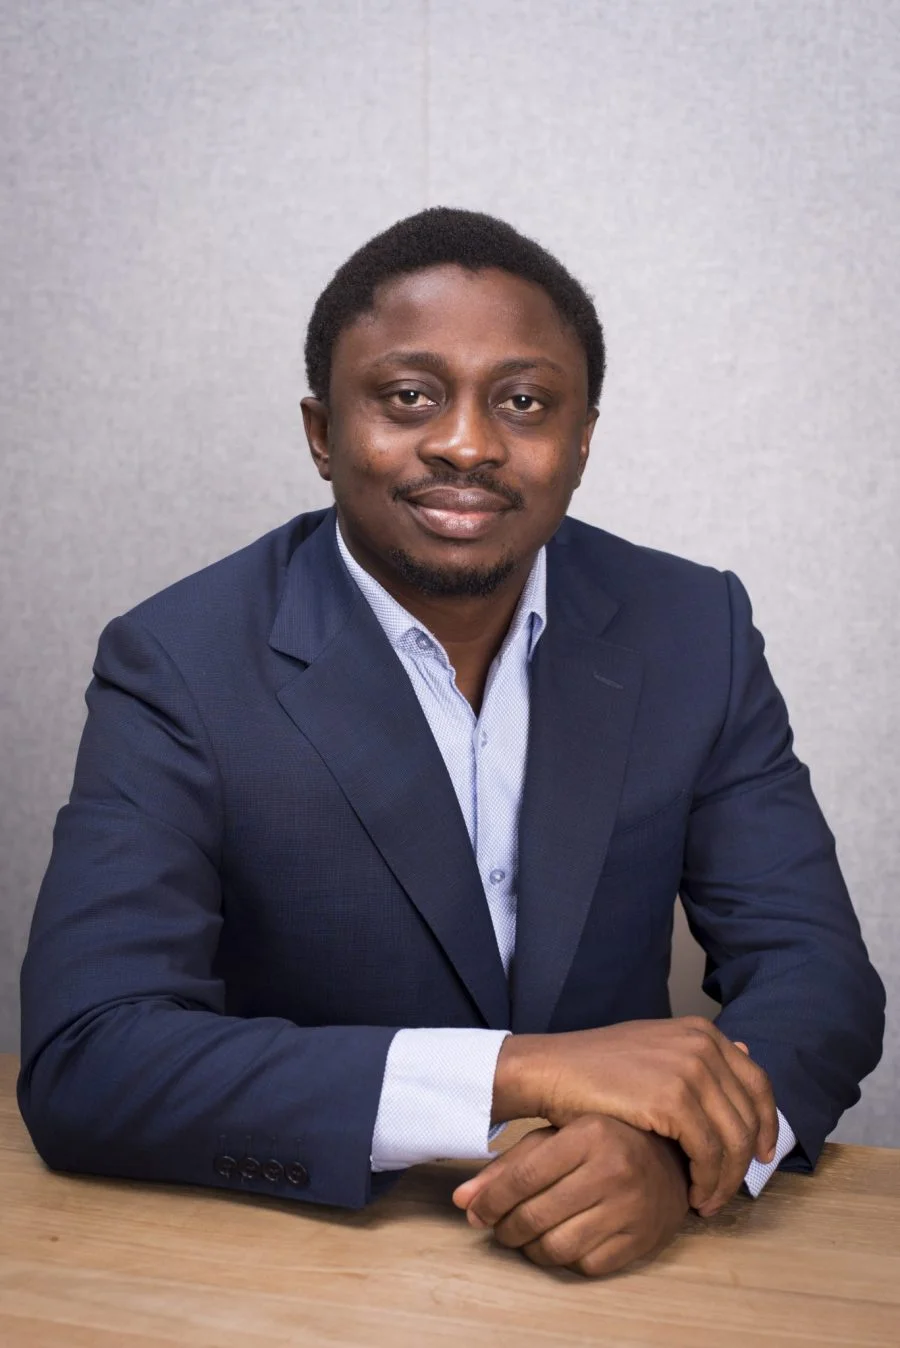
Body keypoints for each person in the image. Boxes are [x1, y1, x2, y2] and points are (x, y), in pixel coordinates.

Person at [18, 207, 884, 1278]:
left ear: (582, 439)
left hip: (620, 1280)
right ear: (322, 432)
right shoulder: (178, 663)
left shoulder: (695, 629)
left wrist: (675, 1154)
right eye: (409, 396)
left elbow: (816, 975)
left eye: (522, 401)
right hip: (292, 1269)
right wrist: (517, 1073)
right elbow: (90, 1054)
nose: (467, 443)